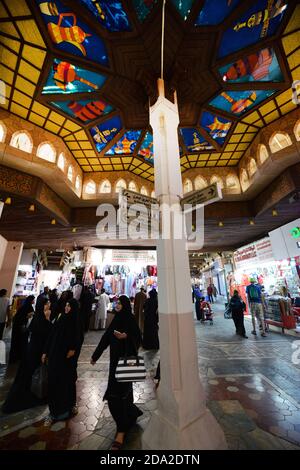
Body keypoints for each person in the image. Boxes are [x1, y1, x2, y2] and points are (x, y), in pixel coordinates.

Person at [90, 295, 143, 451]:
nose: (117, 305)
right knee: (119, 395)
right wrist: (95, 355)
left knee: (119, 395)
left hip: (127, 364)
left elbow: (138, 338)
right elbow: (106, 338)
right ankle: (130, 415)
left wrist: (126, 337)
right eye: (117, 302)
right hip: (115, 364)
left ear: (125, 305)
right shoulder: (115, 320)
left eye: (120, 303)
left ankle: (121, 430)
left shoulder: (130, 320)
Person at [2, 298, 53, 413]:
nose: (49, 305)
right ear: (43, 306)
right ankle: (33, 393)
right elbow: (46, 332)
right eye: (47, 304)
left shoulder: (37, 317)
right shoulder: (41, 319)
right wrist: (48, 319)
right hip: (36, 351)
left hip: (33, 350)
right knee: (33, 373)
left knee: (30, 373)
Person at [42, 299, 81, 424]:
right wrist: (45, 351)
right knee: (54, 383)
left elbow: (78, 339)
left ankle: (68, 407)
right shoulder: (61, 318)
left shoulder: (75, 322)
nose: (67, 308)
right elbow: (52, 335)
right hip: (55, 357)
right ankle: (54, 412)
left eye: (69, 306)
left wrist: (73, 348)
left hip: (67, 360)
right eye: (66, 305)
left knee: (67, 382)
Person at [9, 295, 35, 364]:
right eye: (33, 300)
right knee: (20, 341)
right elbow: (27, 316)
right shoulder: (29, 307)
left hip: (18, 326)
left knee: (17, 341)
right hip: (21, 326)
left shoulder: (24, 306)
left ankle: (16, 356)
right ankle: (19, 356)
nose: (34, 301)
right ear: (30, 300)